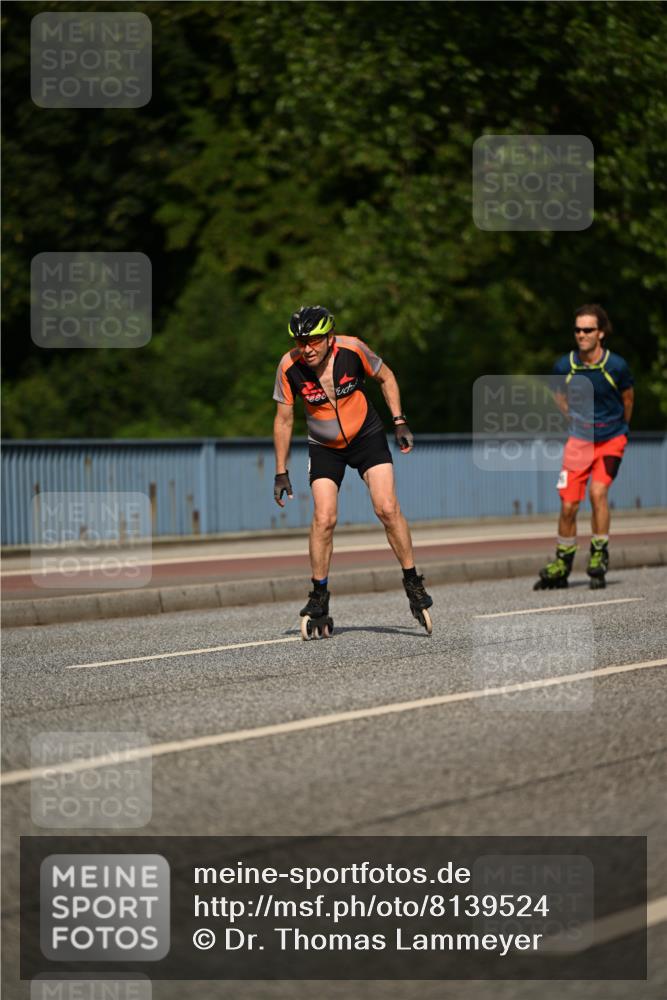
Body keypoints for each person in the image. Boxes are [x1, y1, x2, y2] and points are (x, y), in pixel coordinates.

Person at [272, 305, 433, 630]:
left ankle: (412, 582)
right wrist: (280, 470)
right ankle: (319, 596)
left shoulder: (353, 349)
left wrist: (399, 421)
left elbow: (386, 377)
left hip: (366, 436)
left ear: (330, 337)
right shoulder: (289, 366)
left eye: (314, 340)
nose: (307, 348)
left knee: (387, 508)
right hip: (324, 446)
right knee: (324, 518)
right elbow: (284, 419)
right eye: (301, 341)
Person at [535, 304, 634, 590]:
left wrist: (621, 429)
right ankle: (562, 562)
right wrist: (575, 423)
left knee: (598, 491)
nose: (581, 334)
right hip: (579, 441)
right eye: (577, 329)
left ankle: (599, 556)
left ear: (601, 333)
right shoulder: (564, 366)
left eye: (588, 330)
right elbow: (559, 398)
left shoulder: (616, 366)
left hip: (612, 438)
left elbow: (628, 399)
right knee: (568, 505)